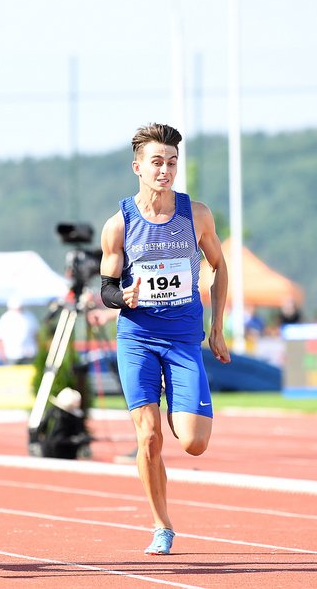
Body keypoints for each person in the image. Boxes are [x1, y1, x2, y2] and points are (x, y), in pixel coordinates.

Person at [98, 123, 230, 555]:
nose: (165, 170)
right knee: (148, 436)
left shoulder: (197, 215)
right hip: (137, 336)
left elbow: (220, 267)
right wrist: (125, 295)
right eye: (157, 162)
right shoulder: (119, 224)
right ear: (138, 166)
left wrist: (217, 327)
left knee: (193, 442)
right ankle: (161, 524)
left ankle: (180, 402)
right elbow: (107, 289)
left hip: (183, 338)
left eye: (172, 162)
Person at [0, 296, 39, 365]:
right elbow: (0, 337)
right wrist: (1, 352)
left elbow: (36, 334)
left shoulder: (30, 316)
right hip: (12, 354)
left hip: (29, 353)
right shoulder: (5, 318)